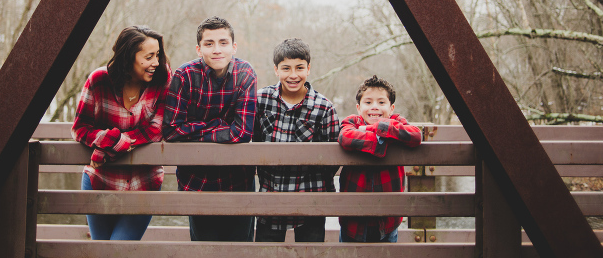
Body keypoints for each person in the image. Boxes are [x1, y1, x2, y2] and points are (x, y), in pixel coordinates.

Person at [71, 25, 171, 241]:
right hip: (99, 179)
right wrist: (111, 143)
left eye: (158, 55)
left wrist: (109, 150)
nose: (156, 62)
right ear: (128, 57)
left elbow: (156, 130)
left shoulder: (163, 81)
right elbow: (80, 128)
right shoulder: (98, 80)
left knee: (119, 250)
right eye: (149, 56)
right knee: (101, 249)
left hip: (144, 183)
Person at [162, 16, 257, 241]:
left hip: (238, 181)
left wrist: (196, 130)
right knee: (203, 249)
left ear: (234, 47)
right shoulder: (184, 75)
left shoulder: (245, 74)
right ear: (198, 49)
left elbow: (242, 132)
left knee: (239, 248)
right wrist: (219, 126)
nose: (217, 50)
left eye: (223, 43)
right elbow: (172, 130)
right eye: (209, 43)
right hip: (196, 179)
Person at [254, 38, 339, 242]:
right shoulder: (261, 100)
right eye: (286, 68)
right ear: (276, 70)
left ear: (308, 69)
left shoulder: (324, 107)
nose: (293, 75)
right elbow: (252, 141)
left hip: (311, 196)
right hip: (270, 193)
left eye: (299, 68)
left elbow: (332, 160)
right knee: (267, 252)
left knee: (310, 250)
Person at [337, 75, 422, 243]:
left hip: (388, 220)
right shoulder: (352, 121)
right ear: (358, 107)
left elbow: (416, 135)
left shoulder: (397, 121)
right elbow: (345, 137)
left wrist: (381, 127)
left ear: (391, 108)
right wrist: (381, 142)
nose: (374, 107)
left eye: (381, 103)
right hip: (353, 220)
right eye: (368, 103)